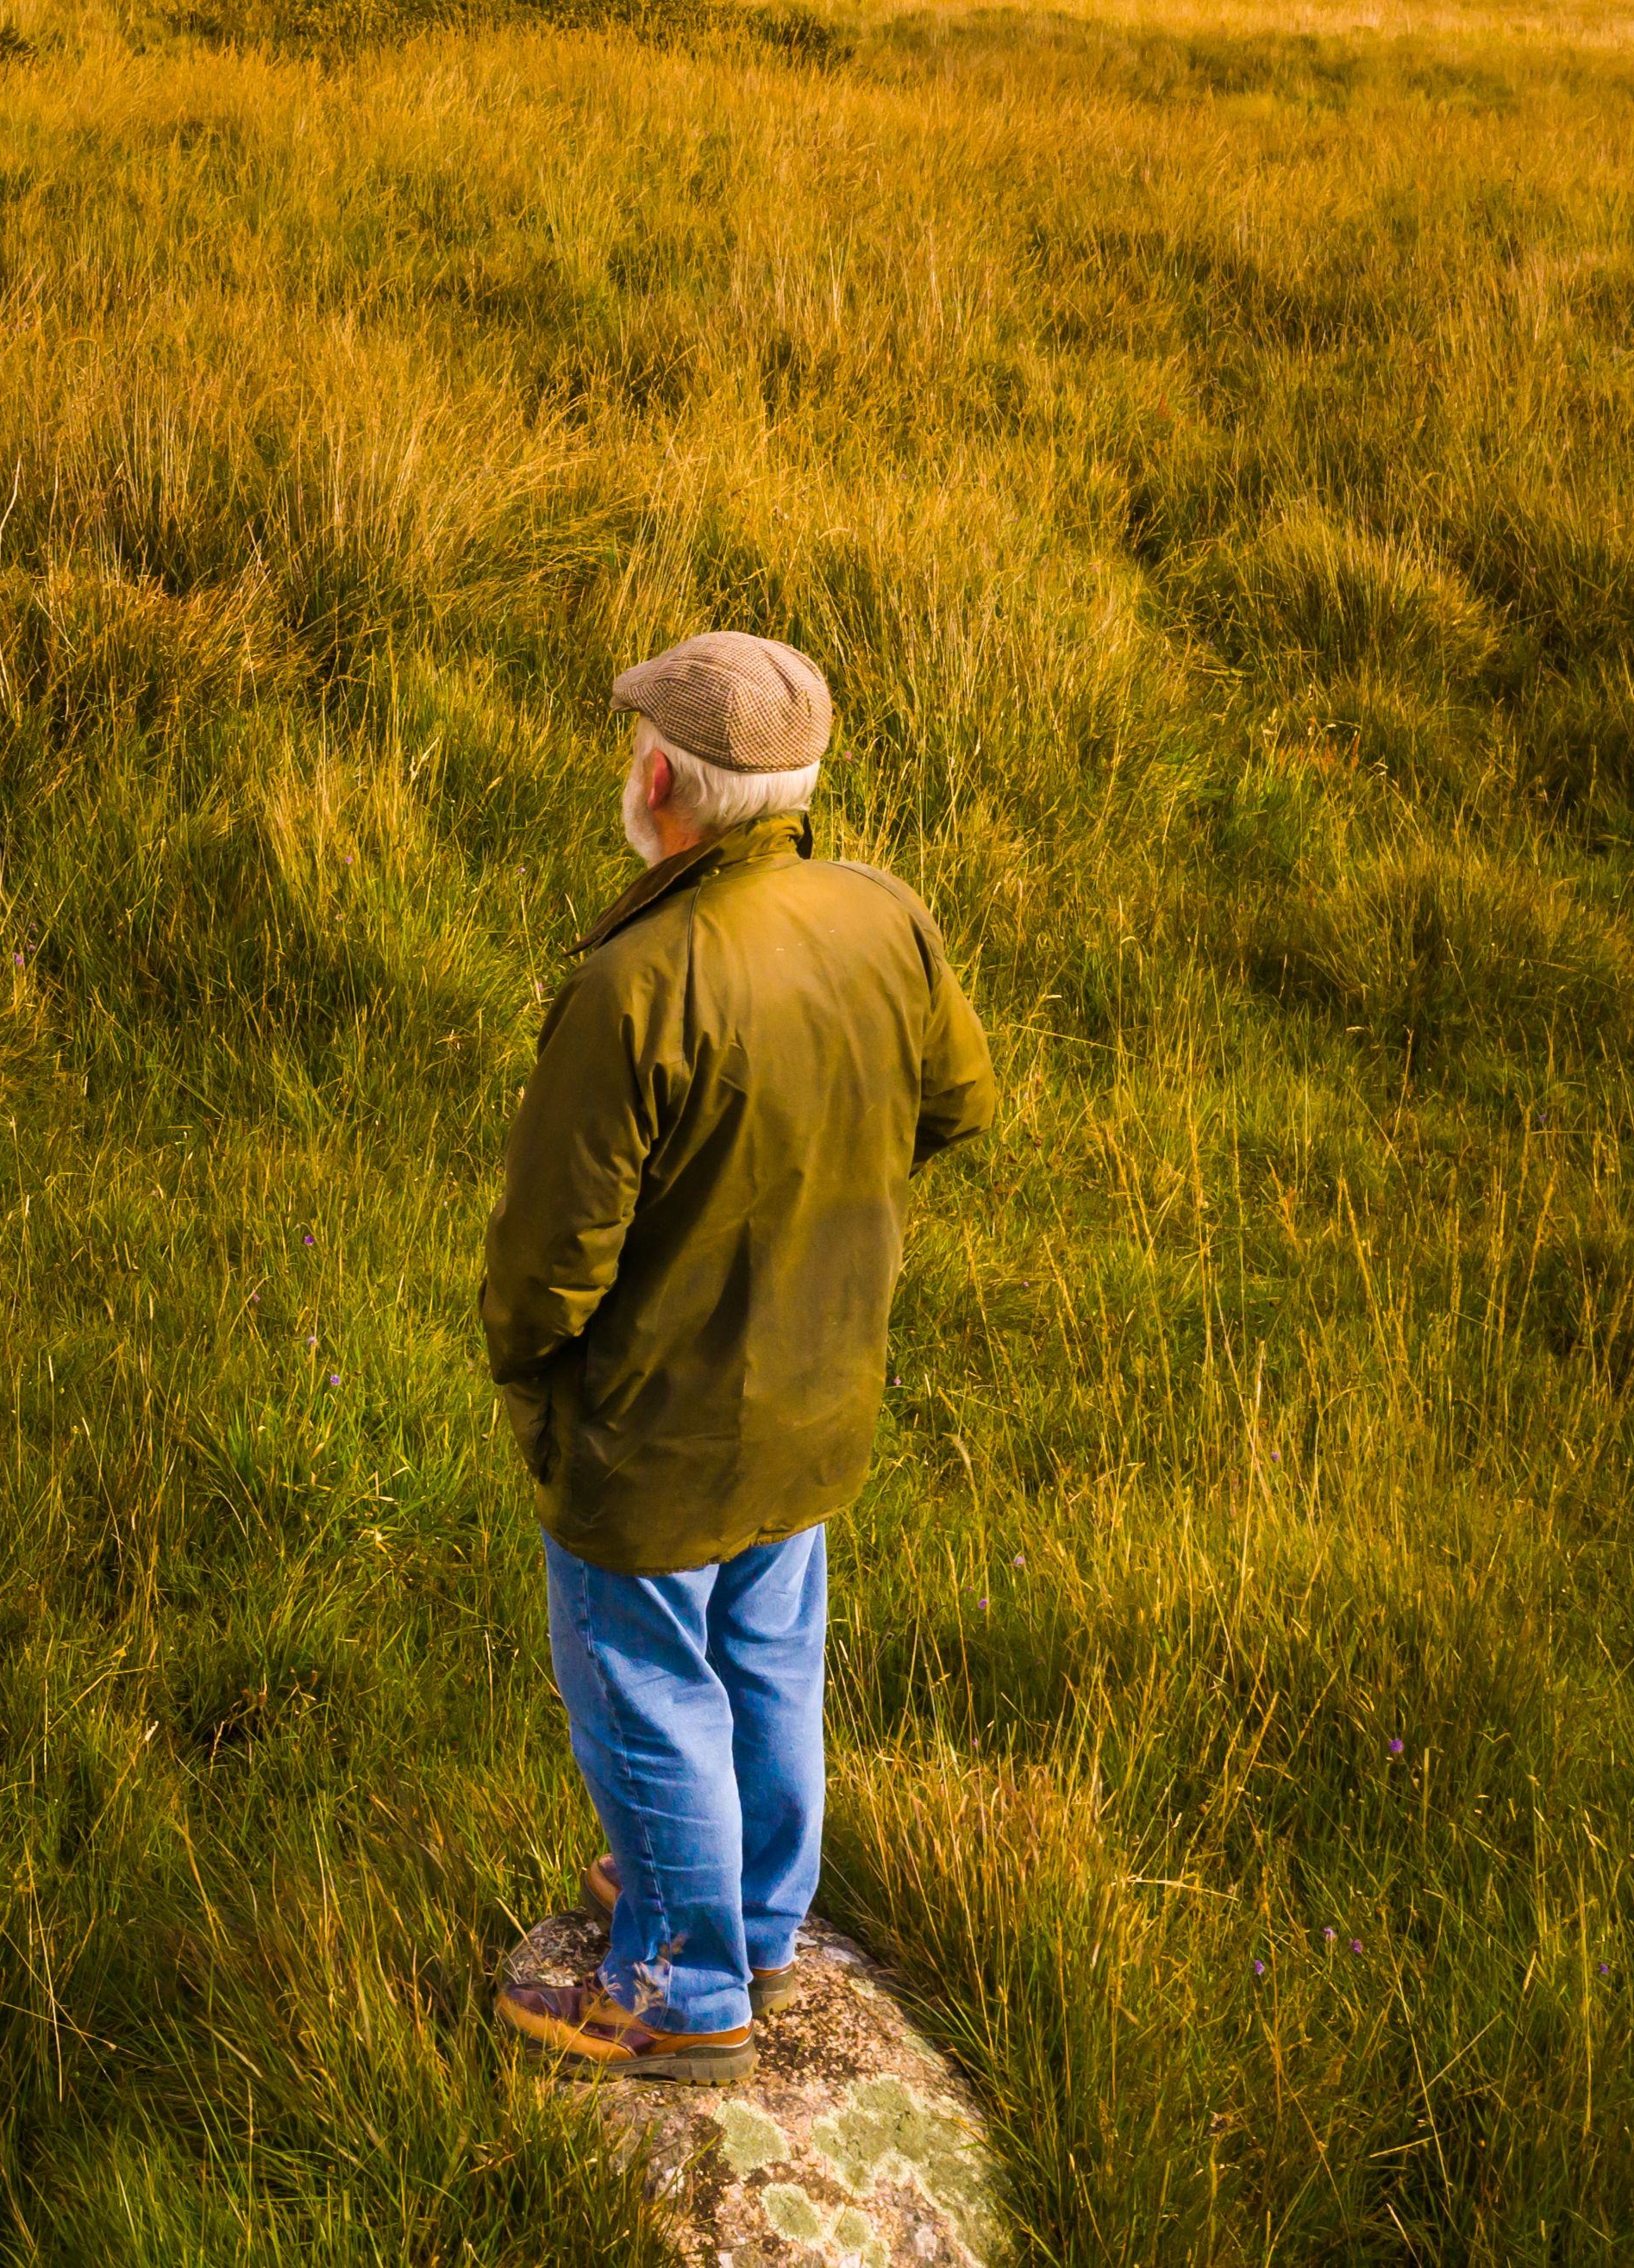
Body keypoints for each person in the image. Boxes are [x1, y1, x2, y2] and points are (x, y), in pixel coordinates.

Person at [482, 631, 999, 2083]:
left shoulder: (636, 981)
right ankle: (757, 1921)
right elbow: (954, 1106)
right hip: (822, 1393)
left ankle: (682, 1987)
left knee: (647, 1690)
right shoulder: (880, 912)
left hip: (653, 1434)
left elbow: (546, 1269)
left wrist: (532, 1375)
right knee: (769, 1662)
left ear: (659, 781)